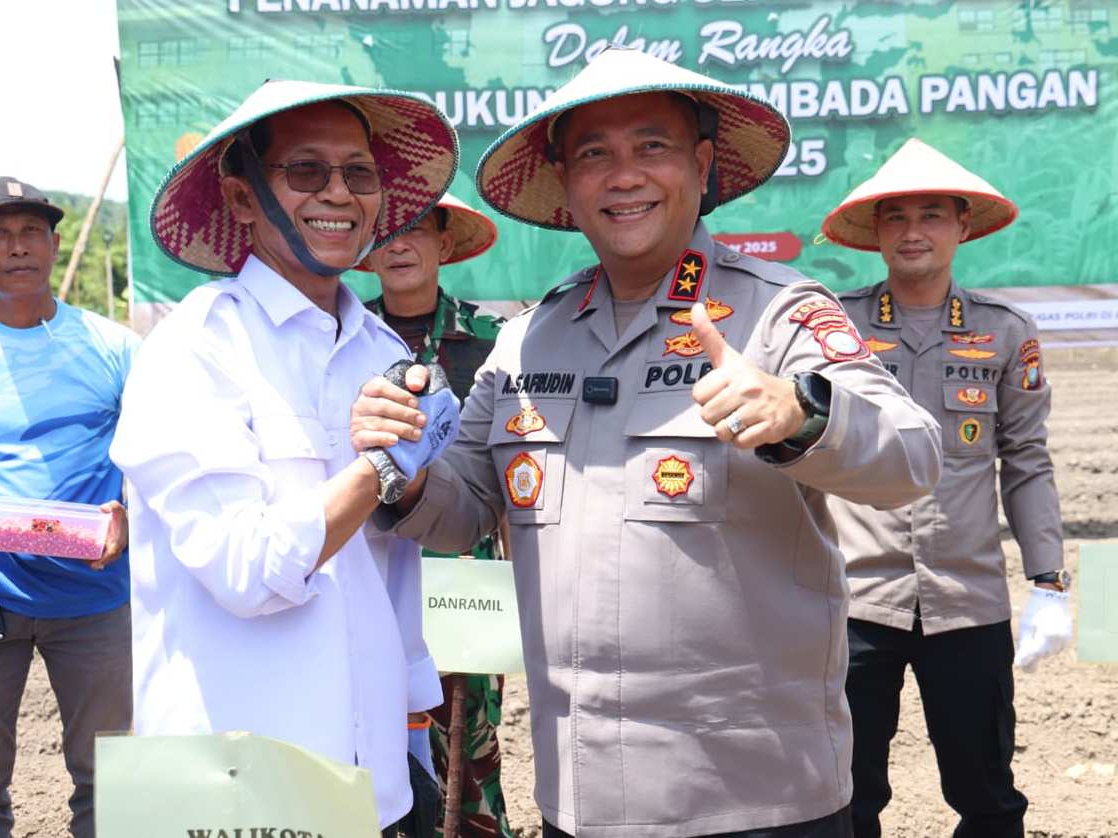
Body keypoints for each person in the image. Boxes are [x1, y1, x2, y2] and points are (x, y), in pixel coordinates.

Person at [351, 47, 942, 837]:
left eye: (651, 146)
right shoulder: (527, 341)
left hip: (757, 801)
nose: (623, 176)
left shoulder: (780, 315)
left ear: (702, 164)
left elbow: (912, 455)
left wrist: (800, 412)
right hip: (583, 800)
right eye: (594, 155)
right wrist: (407, 469)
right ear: (566, 183)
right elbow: (462, 509)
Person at [108, 80, 461, 836]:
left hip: (369, 780)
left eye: (358, 173)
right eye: (305, 170)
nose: (338, 193)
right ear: (242, 199)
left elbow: (392, 575)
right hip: (237, 788)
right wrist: (381, 468)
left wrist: (410, 732)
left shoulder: (381, 350)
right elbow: (244, 569)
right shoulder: (196, 347)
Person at [821, 137, 1071, 838]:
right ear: (875, 231)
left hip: (967, 600)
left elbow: (1026, 459)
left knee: (987, 794)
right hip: (854, 600)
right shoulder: (834, 327)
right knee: (842, 796)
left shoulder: (1004, 332)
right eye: (896, 216)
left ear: (963, 225)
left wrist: (1049, 580)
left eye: (932, 214)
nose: (913, 231)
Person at [0, 177, 137, 838]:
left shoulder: (115, 349)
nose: (18, 247)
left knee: (112, 790)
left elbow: (160, 464)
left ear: (54, 244)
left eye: (32, 232)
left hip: (96, 600)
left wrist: (131, 514)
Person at [362, 194, 513, 838]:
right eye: (385, 232)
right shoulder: (343, 339)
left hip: (464, 571)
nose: (399, 244)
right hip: (371, 568)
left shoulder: (493, 341)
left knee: (468, 746)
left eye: (416, 230)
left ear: (445, 246)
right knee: (374, 733)